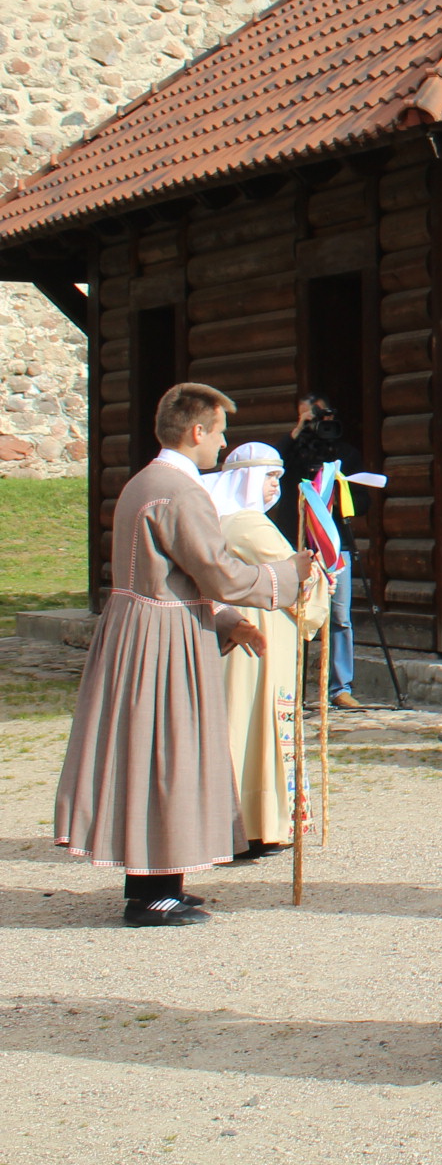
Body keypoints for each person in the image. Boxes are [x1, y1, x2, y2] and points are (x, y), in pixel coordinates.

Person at [55, 384, 310, 925]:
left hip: (147, 627)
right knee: (164, 753)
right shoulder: (179, 490)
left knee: (156, 753)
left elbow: (167, 577)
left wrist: (223, 621)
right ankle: (150, 895)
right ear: (196, 431)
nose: (221, 446)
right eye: (218, 432)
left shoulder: (144, 482)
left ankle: (159, 881)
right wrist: (288, 576)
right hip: (160, 641)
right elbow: (215, 571)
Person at [204, 440, 322, 860]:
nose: (275, 487)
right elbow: (296, 579)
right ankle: (253, 826)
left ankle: (239, 824)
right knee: (253, 727)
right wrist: (323, 578)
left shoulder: (220, 518)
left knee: (241, 725)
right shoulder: (247, 524)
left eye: (278, 478)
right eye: (269, 477)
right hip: (256, 643)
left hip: (242, 639)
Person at [278, 393, 360, 709]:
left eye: (318, 416)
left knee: (339, 616)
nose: (314, 423)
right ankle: (293, 686)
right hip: (297, 546)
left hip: (335, 547)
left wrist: (342, 495)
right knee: (296, 615)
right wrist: (298, 431)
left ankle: (340, 688)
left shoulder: (345, 455)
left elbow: (362, 504)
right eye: (306, 417)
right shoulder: (292, 456)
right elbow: (276, 459)